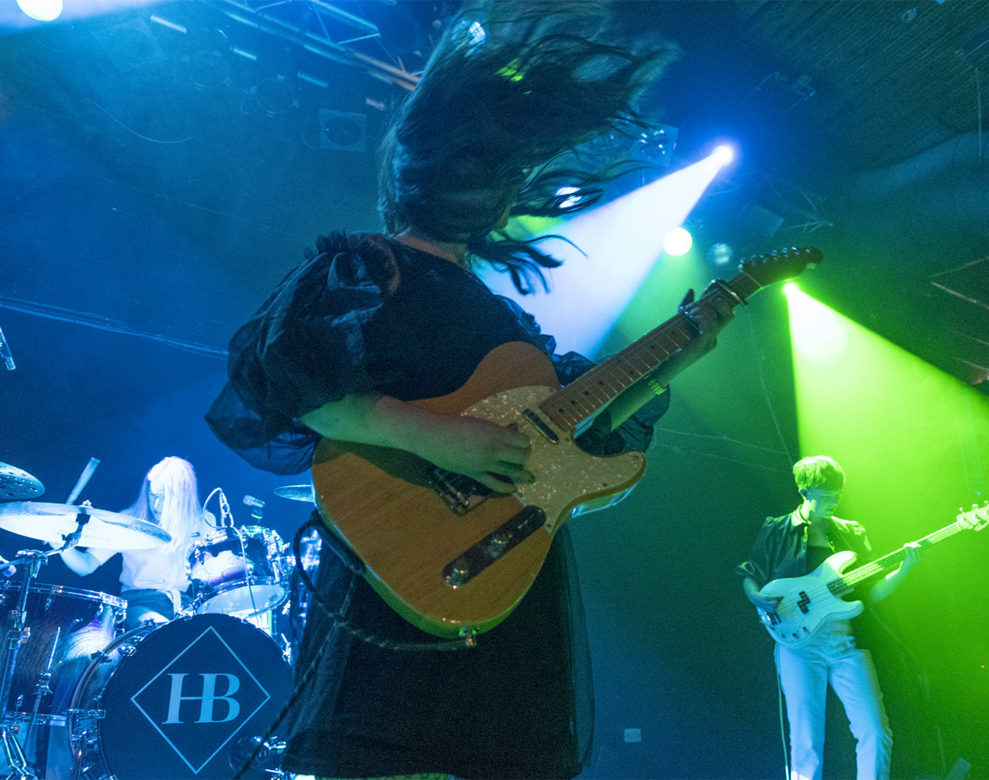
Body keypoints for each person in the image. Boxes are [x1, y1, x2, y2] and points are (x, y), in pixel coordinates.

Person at [205, 2, 736, 777]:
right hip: (396, 588)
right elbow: (280, 377)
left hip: (505, 592)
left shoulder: (504, 318)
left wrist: (676, 357)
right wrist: (435, 435)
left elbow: (578, 434)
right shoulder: (371, 265)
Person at [737, 455, 923, 780]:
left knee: (876, 732)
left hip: (845, 641)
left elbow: (872, 593)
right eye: (827, 495)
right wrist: (757, 597)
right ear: (806, 492)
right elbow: (751, 572)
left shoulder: (851, 533)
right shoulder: (778, 528)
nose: (834, 502)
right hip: (798, 645)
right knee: (806, 741)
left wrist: (905, 569)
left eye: (838, 494)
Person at [60, 455, 206, 628]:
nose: (156, 504)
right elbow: (85, 565)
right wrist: (58, 543)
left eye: (165, 497)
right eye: (153, 495)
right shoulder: (129, 521)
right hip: (138, 602)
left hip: (186, 604)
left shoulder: (203, 522)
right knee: (162, 633)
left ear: (183, 497)